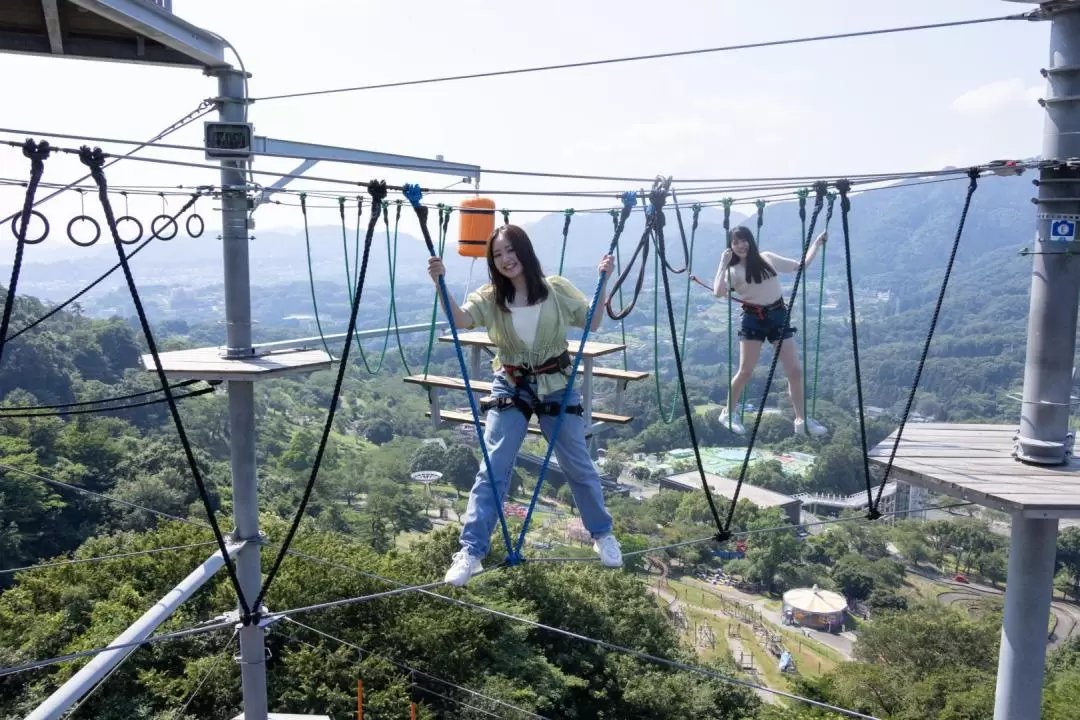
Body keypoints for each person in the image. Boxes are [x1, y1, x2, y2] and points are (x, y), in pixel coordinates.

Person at [427, 224, 623, 587]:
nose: (505, 260)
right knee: (494, 465)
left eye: (509, 251)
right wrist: (441, 283)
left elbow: (593, 322)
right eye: (497, 255)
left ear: (524, 251)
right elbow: (461, 320)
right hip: (512, 382)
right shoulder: (491, 297)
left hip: (556, 383)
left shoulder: (556, 289)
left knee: (577, 463)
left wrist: (604, 279)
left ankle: (602, 534)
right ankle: (471, 551)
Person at [712, 225, 828, 437]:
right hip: (752, 320)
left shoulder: (767, 258)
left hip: (777, 315)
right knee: (745, 372)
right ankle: (728, 413)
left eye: (743, 240)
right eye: (735, 242)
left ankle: (801, 420)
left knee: (795, 371)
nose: (740, 245)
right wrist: (722, 263)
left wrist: (817, 244)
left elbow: (800, 266)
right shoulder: (732, 271)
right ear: (730, 246)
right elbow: (718, 293)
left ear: (750, 240)